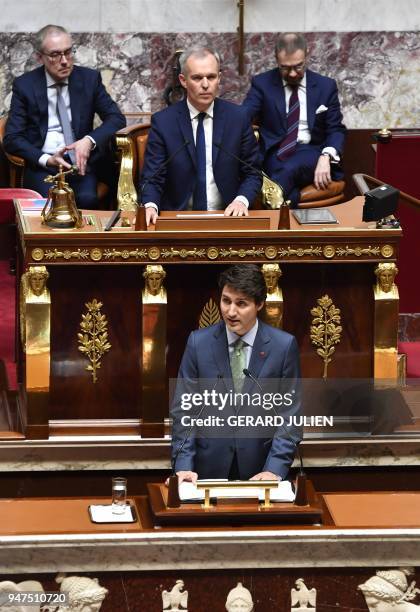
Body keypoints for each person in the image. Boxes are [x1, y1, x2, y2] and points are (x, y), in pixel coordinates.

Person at [171, 264, 301, 484]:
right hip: (204, 472)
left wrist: (275, 468)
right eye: (226, 301)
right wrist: (183, 466)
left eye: (241, 304)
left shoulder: (283, 346)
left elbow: (289, 415)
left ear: (259, 304)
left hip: (261, 472)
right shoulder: (198, 343)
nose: (231, 312)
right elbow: (184, 411)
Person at [3, 24, 126, 209]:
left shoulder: (89, 79)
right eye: (55, 55)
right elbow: (12, 138)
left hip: (80, 163)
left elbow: (116, 118)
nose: (65, 61)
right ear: (40, 57)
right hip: (43, 166)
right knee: (48, 207)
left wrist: (89, 140)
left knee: (87, 200)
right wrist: (46, 159)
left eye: (68, 52)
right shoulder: (25, 85)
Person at [140, 46, 262, 226]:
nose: (205, 84)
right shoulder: (164, 123)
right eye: (197, 78)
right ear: (183, 80)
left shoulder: (238, 118)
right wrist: (150, 206)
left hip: (228, 216)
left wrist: (241, 201)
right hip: (178, 220)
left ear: (219, 78)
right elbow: (152, 177)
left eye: (211, 77)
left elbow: (253, 173)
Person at [243, 32, 346, 208]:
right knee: (281, 171)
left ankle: (269, 207)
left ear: (307, 54)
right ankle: (287, 205)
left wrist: (326, 156)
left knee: (290, 169)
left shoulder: (325, 86)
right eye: (285, 67)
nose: (292, 73)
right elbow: (244, 114)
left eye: (298, 66)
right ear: (276, 59)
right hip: (276, 152)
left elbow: (336, 129)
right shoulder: (262, 83)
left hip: (312, 151)